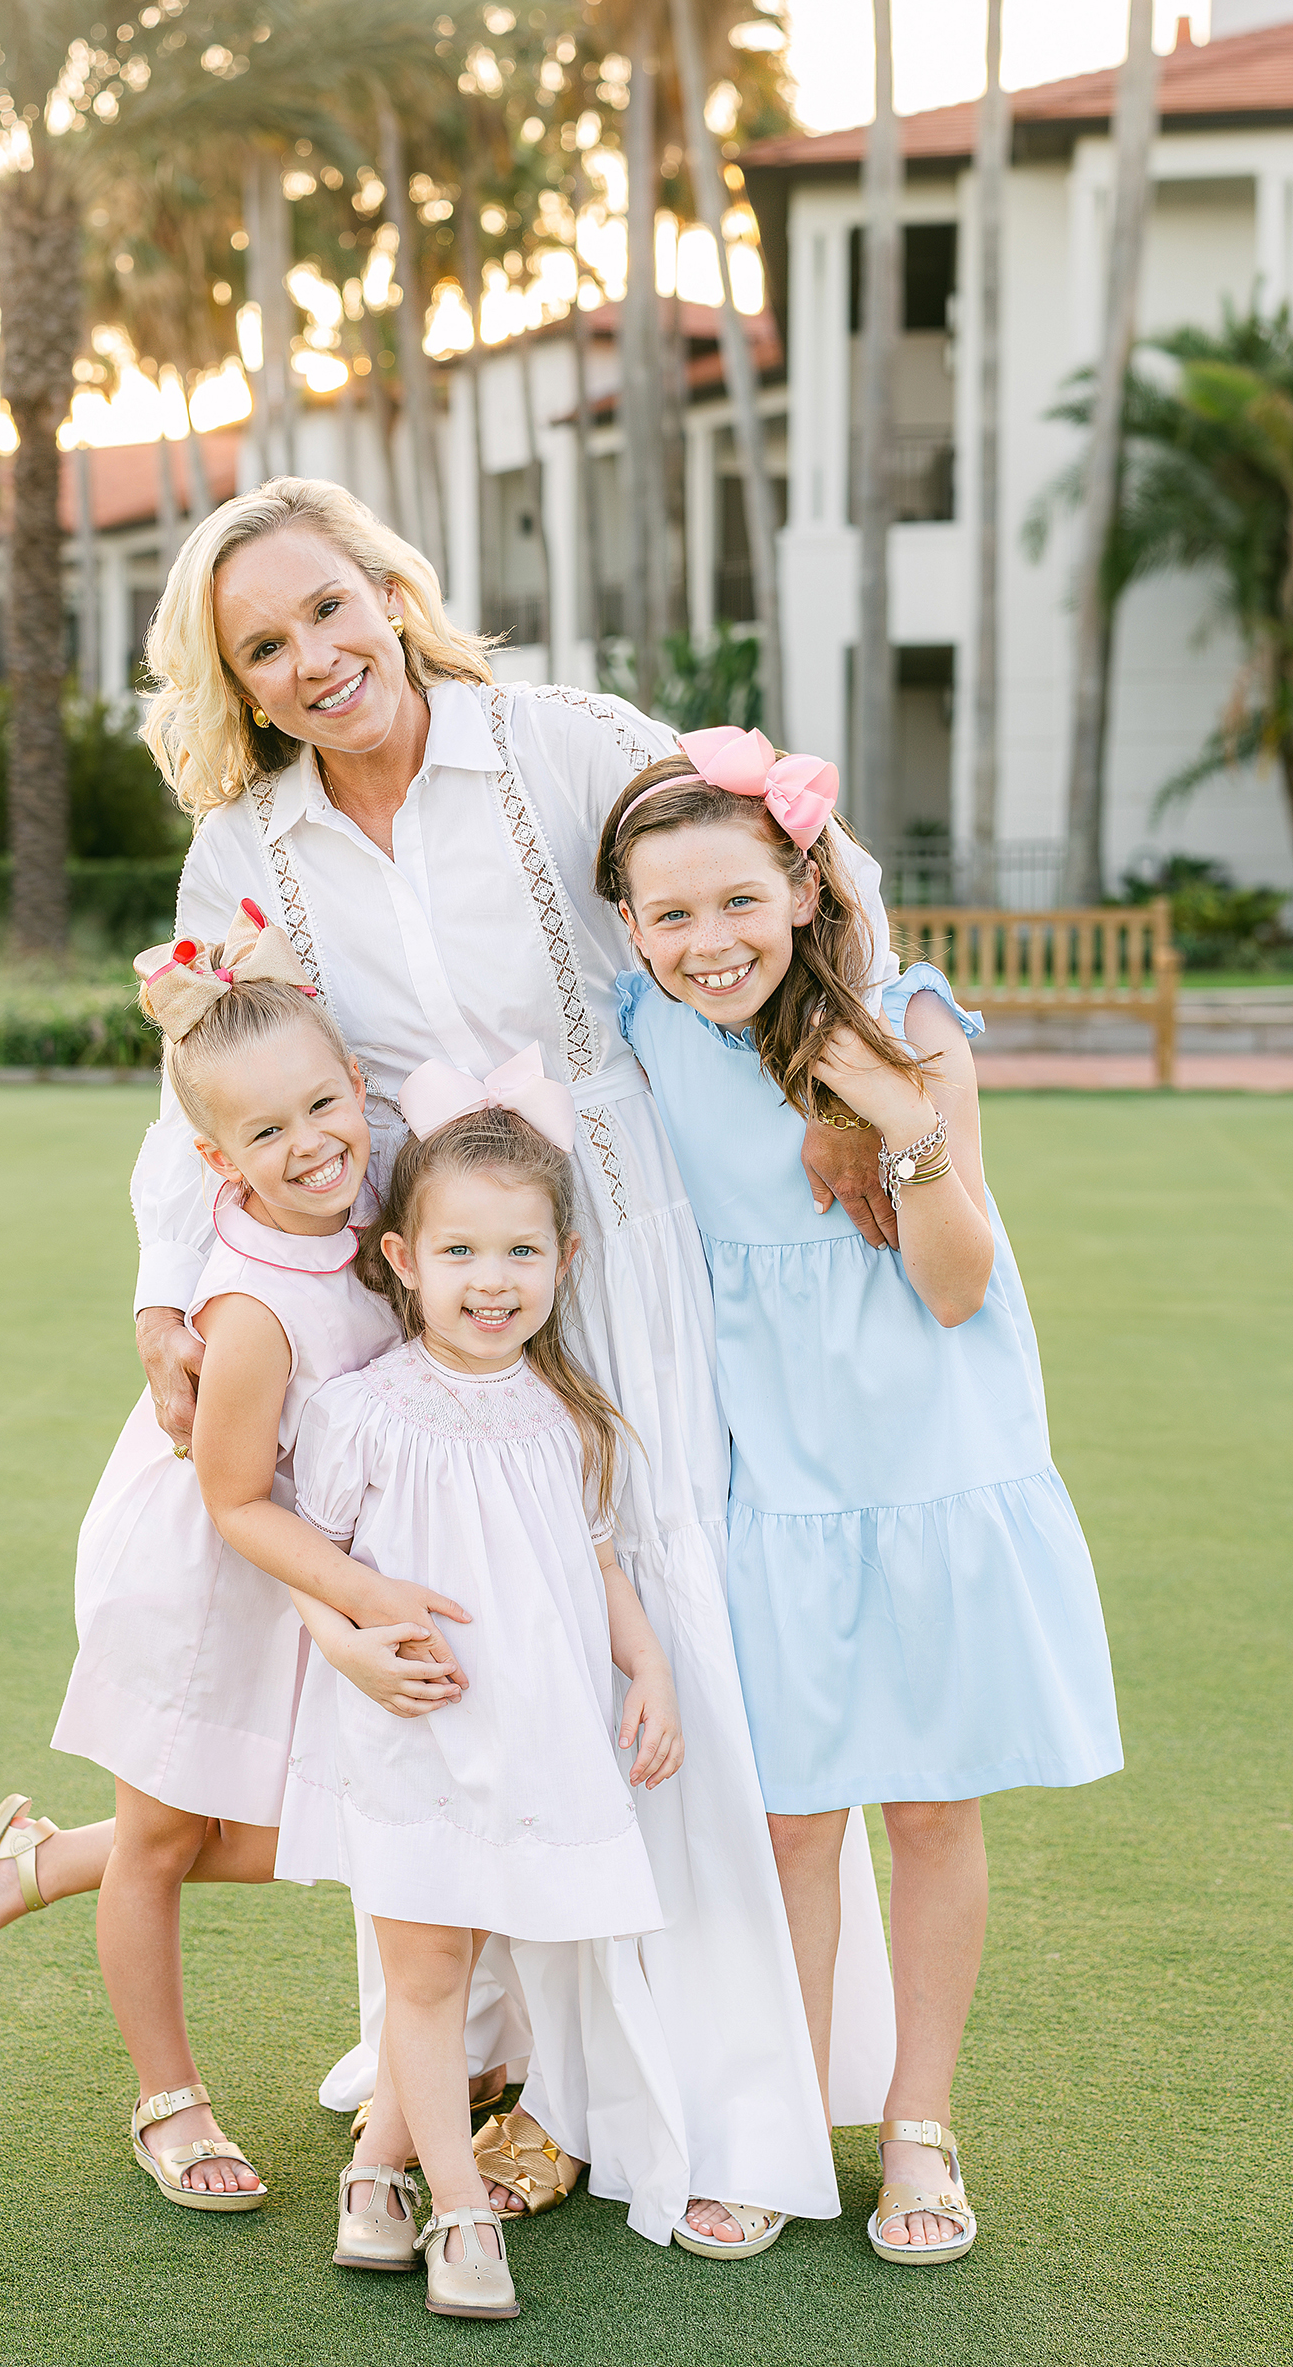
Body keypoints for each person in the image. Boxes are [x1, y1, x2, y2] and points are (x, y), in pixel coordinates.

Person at [127, 475, 899, 2250]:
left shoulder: (562, 739)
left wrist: (863, 1096)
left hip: (613, 1237)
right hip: (419, 1275)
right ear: (236, 687)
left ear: (391, 591)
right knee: (474, 1635)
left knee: (642, 1606)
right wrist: (166, 1291)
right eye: (264, 647)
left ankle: (692, 2093)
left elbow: (797, 868)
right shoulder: (250, 850)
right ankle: (483, 2046)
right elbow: (206, 1087)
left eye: (329, 609)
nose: (314, 659)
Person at [597, 725, 1124, 2265]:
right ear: (628, 928)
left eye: (737, 903)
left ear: (804, 889)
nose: (708, 942)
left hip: (933, 1464)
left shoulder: (910, 1025)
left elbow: (957, 1289)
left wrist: (900, 1127)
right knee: (788, 1824)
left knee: (929, 1807)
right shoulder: (638, 1029)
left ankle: (916, 2131)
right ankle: (767, 2131)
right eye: (669, 913)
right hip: (772, 1482)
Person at [0, 906, 470, 2212]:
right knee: (165, 1837)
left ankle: (41, 1864)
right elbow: (229, 1496)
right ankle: (169, 2099)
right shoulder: (250, 1299)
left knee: (299, 1834)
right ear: (217, 1161)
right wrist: (358, 1592)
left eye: (323, 1106)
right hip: (203, 1570)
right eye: (265, 1133)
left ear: (359, 1092)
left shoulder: (364, 1226)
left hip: (283, 1571)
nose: (308, 1144)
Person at [274, 1089, 680, 2319]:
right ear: (399, 1262)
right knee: (429, 1968)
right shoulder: (361, 1411)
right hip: (411, 1733)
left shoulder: (567, 1414)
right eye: (456, 1251)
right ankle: (458, 2213)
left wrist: (647, 1667)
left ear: (563, 1259)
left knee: (463, 1954)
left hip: (531, 1741)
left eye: (518, 1252)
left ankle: (371, 2172)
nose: (489, 1281)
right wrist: (346, 1649)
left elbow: (595, 1559)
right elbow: (305, 1555)